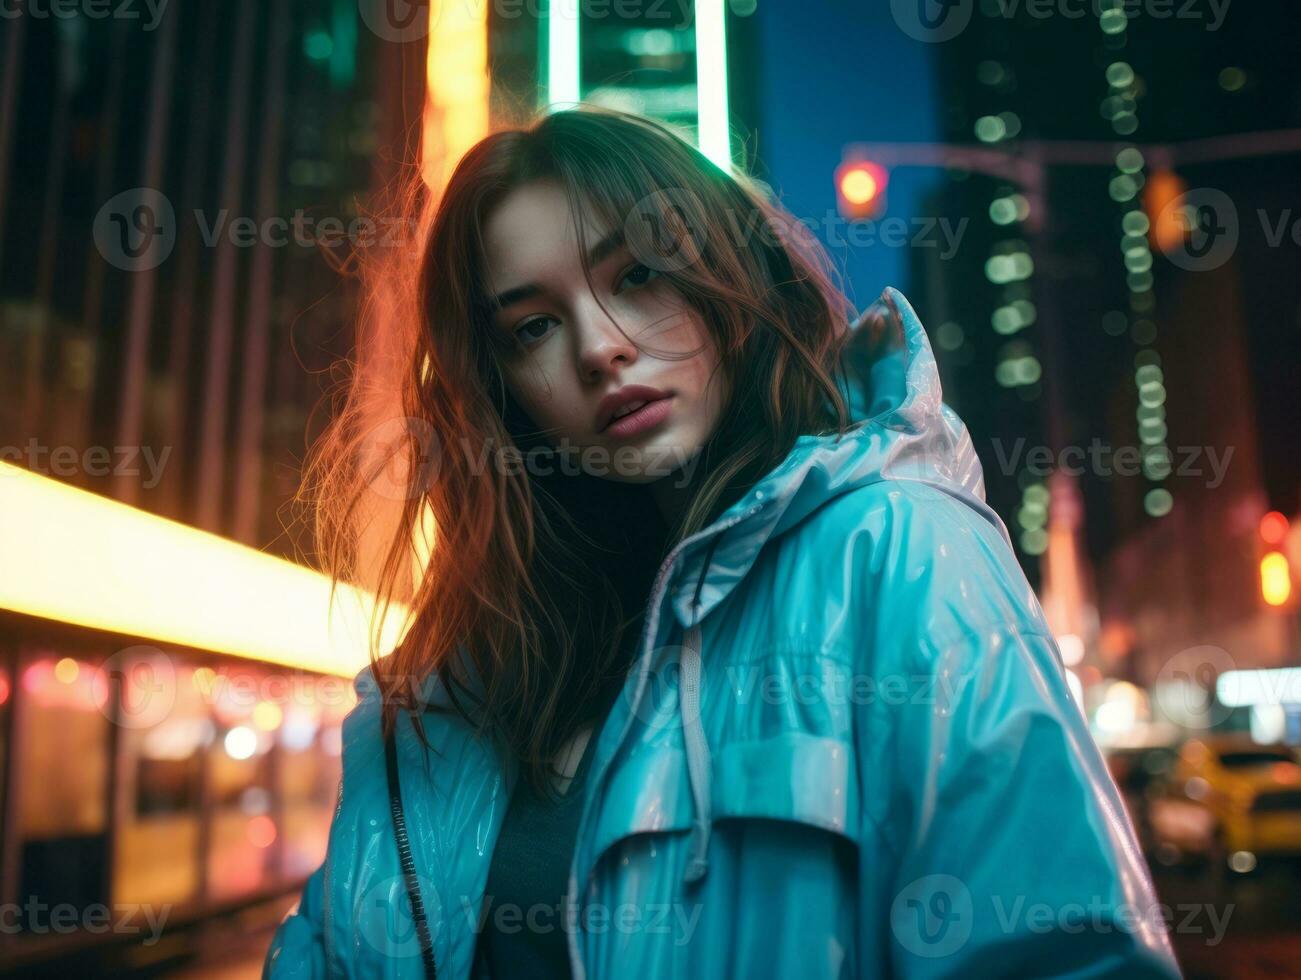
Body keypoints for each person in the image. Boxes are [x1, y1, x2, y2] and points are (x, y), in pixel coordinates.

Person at [263, 105, 1183, 979]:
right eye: (533, 325)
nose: (600, 347)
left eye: (636, 276)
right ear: (500, 386)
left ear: (728, 280)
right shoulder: (447, 693)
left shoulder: (897, 551)